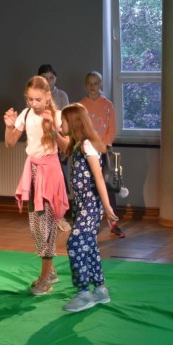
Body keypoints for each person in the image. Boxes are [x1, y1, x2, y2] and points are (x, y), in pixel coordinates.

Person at [4, 76, 70, 295]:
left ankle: (45, 279)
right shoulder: (26, 114)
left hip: (50, 172)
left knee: (45, 226)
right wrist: (9, 126)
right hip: (32, 172)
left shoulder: (57, 116)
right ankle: (50, 271)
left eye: (38, 99)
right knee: (36, 225)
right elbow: (10, 142)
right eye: (30, 99)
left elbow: (67, 148)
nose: (33, 103)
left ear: (48, 96)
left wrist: (53, 131)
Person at [59, 103, 119, 313]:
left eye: (63, 121)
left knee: (75, 243)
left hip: (90, 204)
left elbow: (99, 178)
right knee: (89, 244)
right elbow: (63, 146)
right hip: (81, 205)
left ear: (73, 122)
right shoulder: (76, 145)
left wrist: (107, 206)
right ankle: (100, 289)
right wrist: (53, 132)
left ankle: (84, 292)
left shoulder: (87, 145)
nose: (60, 124)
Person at [78, 71, 125, 238]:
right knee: (90, 188)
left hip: (104, 152)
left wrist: (103, 147)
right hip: (87, 153)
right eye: (89, 84)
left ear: (100, 85)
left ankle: (113, 223)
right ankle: (92, 224)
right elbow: (80, 130)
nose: (93, 87)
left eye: (96, 83)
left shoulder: (107, 105)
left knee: (108, 188)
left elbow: (111, 129)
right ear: (86, 86)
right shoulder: (81, 106)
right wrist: (87, 147)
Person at [38, 64, 71, 194]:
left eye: (51, 78)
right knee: (41, 180)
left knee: (59, 178)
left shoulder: (61, 95)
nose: (48, 81)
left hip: (58, 140)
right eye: (44, 78)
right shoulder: (35, 96)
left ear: (55, 78)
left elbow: (66, 119)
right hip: (41, 142)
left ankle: (59, 204)